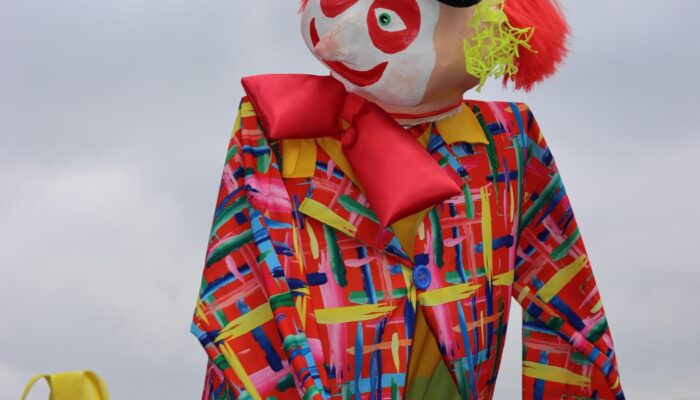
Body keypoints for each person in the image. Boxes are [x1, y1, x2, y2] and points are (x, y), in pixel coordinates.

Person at [190, 0, 625, 399]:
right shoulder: (274, 127)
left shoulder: (507, 140)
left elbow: (568, 307)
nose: (335, 36)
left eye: (387, 16)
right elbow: (240, 290)